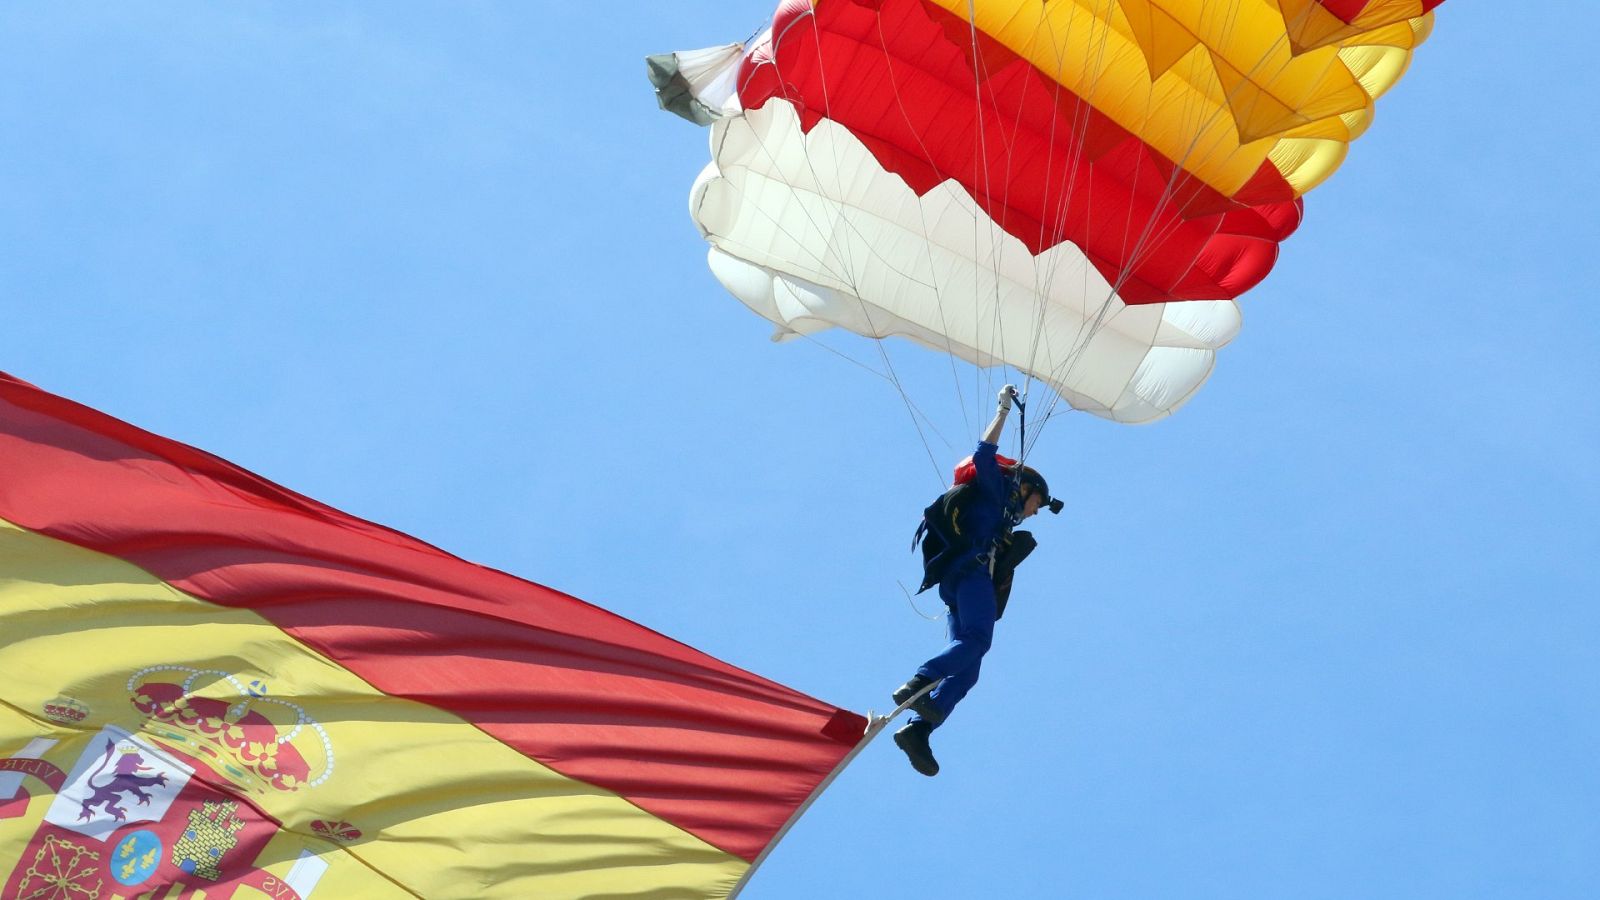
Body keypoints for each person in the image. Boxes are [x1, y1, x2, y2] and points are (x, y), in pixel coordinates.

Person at [891, 385, 1057, 776]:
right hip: (970, 573)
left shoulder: (1003, 520)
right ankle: (921, 681)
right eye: (1038, 503)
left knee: (970, 666)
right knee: (978, 641)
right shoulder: (994, 492)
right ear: (1026, 488)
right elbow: (984, 455)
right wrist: (1002, 411)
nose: (1035, 512)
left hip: (960, 586)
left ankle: (919, 730)